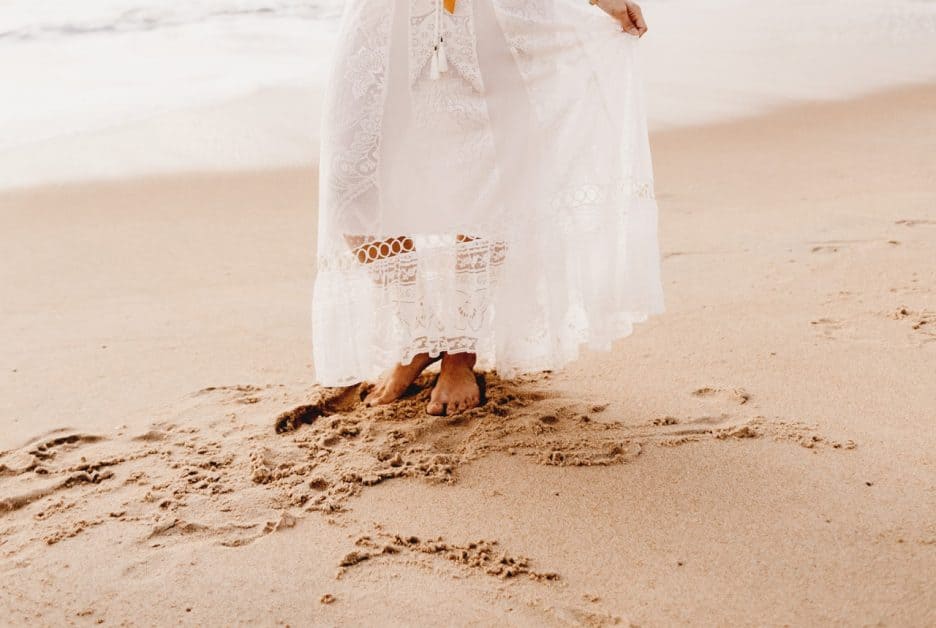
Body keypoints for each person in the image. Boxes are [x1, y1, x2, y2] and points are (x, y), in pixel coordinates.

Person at [312, 0, 663, 415]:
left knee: (490, 167)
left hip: (492, 11)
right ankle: (419, 333)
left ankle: (462, 348)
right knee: (352, 182)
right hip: (382, 15)